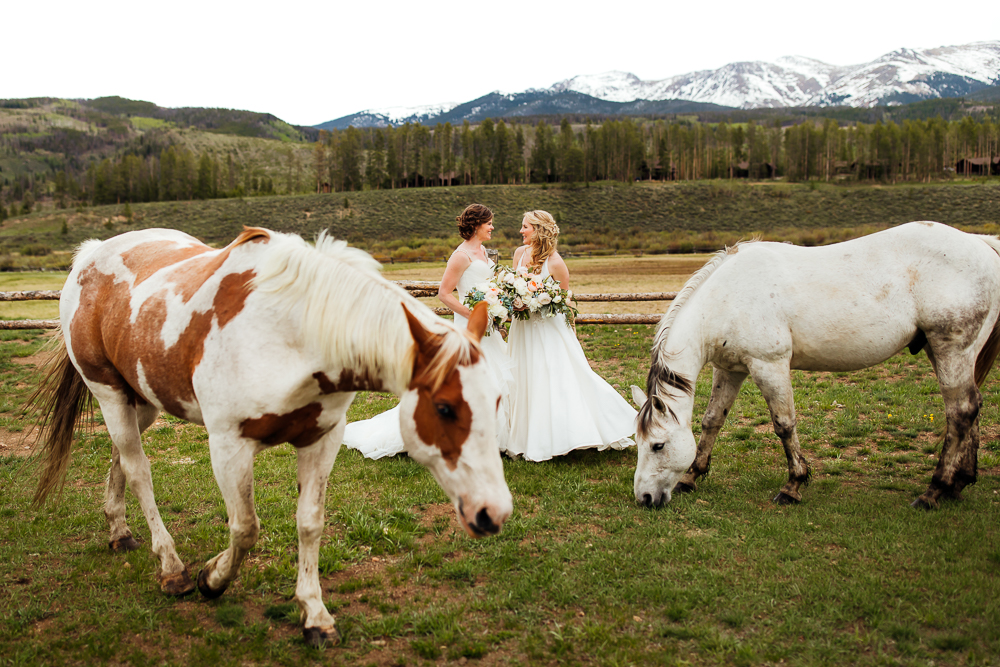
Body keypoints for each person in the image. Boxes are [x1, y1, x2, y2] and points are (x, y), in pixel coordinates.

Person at [342, 204, 515, 458]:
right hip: (467, 325)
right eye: (489, 223)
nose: (492, 227)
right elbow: (444, 294)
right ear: (477, 225)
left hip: (487, 325)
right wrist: (472, 314)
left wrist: (496, 307)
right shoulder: (461, 255)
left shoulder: (484, 252)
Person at [505, 210, 637, 461]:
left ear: (539, 229)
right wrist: (517, 301)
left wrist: (538, 302)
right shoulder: (519, 254)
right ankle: (523, 436)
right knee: (524, 375)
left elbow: (562, 301)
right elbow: (513, 288)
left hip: (548, 329)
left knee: (554, 376)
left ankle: (568, 433)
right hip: (522, 328)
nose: (521, 231)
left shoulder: (555, 262)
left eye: (525, 227)